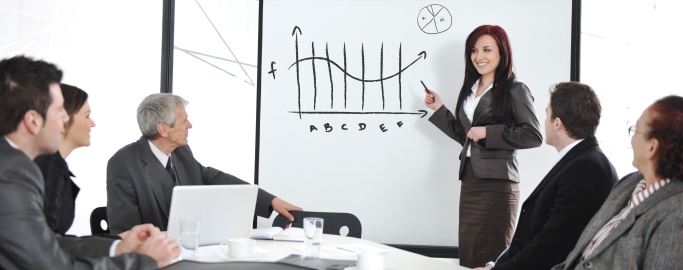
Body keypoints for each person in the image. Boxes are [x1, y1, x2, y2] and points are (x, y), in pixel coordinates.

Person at [0, 55, 179, 269]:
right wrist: (144, 261)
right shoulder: (13, 171)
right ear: (33, 121)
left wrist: (117, 248)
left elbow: (45, 244)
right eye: (59, 111)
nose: (66, 119)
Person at [424, 25, 543, 267]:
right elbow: (466, 135)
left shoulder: (514, 89)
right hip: (470, 180)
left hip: (498, 185)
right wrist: (440, 110)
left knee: (492, 256)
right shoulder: (470, 89)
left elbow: (533, 135)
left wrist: (489, 132)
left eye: (487, 50)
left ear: (502, 52)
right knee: (469, 255)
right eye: (474, 51)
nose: (479, 57)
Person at [107, 93, 303, 234]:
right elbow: (125, 233)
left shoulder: (181, 153)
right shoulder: (123, 164)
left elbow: (217, 179)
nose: (190, 125)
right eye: (184, 121)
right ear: (163, 130)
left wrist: (270, 201)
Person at [472, 82, 618, 270]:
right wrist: (493, 264)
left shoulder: (587, 169)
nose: (545, 121)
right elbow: (535, 238)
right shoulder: (581, 160)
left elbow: (551, 247)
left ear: (557, 123)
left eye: (547, 114)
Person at [552, 95, 683, 269]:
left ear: (652, 147)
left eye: (636, 130)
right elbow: (580, 257)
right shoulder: (628, 184)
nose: (632, 138)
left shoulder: (676, 215)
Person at [34, 83, 96, 235]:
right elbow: (48, 241)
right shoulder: (50, 166)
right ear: (63, 121)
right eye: (87, 115)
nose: (93, 123)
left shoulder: (49, 163)